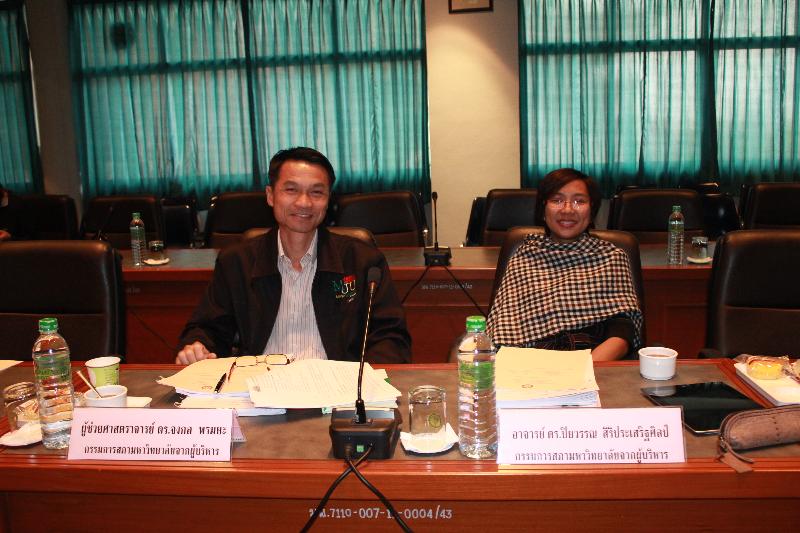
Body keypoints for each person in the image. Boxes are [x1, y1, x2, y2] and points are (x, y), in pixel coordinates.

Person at [176, 147, 411, 365]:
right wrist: (198, 347)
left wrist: (364, 380)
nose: (304, 203)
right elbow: (207, 328)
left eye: (316, 192)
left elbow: (390, 336)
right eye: (291, 190)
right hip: (258, 387)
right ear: (270, 195)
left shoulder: (363, 262)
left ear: (328, 199)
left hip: (337, 388)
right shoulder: (236, 262)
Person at [487, 168, 643, 361]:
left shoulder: (612, 257)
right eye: (557, 200)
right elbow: (504, 329)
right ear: (543, 209)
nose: (567, 210)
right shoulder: (524, 256)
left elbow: (622, 334)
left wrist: (583, 368)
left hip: (592, 360)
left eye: (579, 201)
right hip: (528, 363)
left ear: (592, 210)